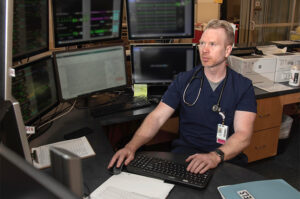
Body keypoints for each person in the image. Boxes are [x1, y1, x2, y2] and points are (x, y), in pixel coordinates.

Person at [108, 19, 257, 174]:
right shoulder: (184, 80)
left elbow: (243, 134)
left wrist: (215, 156)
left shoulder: (242, 87)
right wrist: (131, 147)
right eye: (202, 43)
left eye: (212, 44)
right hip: (186, 157)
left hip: (225, 158)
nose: (204, 50)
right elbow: (157, 117)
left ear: (227, 50)